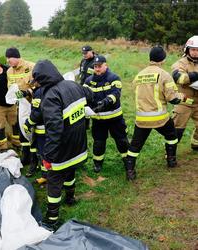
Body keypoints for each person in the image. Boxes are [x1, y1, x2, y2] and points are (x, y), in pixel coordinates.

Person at [31, 59, 104, 228]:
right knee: (70, 173)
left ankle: (52, 218)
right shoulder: (74, 85)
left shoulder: (50, 97)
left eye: (39, 81)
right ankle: (70, 198)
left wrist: (48, 157)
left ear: (43, 79)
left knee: (54, 182)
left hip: (61, 151)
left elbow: (54, 130)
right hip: (78, 146)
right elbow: (91, 97)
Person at [125, 46, 187, 181]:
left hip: (141, 119)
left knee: (135, 146)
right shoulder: (164, 75)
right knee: (172, 136)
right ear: (163, 59)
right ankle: (171, 161)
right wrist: (181, 96)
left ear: (150, 58)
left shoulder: (138, 75)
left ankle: (130, 172)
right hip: (160, 119)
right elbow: (173, 99)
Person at [83, 55, 129, 173]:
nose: (97, 69)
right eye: (95, 66)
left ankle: (128, 161)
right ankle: (97, 163)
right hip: (98, 120)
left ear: (106, 65)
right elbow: (83, 96)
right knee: (98, 142)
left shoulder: (114, 78)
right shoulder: (88, 81)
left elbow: (116, 93)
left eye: (99, 66)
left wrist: (105, 102)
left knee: (122, 141)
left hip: (115, 119)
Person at [5, 47, 38, 172]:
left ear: (16, 57)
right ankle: (26, 157)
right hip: (20, 106)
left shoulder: (31, 66)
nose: (8, 61)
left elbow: (39, 85)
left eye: (9, 58)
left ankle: (35, 160)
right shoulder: (9, 72)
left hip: (34, 105)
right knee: (22, 131)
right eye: (7, 58)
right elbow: (10, 88)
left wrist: (28, 92)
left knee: (34, 131)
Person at [171, 35, 198, 149]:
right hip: (184, 102)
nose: (196, 52)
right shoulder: (180, 63)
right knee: (177, 130)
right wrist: (195, 75)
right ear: (187, 49)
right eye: (193, 49)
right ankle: (170, 153)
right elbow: (179, 78)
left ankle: (195, 143)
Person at [23, 86, 47, 183]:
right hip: (48, 127)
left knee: (43, 153)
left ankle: (47, 176)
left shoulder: (39, 92)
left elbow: (37, 113)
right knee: (42, 152)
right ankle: (45, 174)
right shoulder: (47, 88)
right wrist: (23, 94)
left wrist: (28, 123)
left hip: (42, 129)